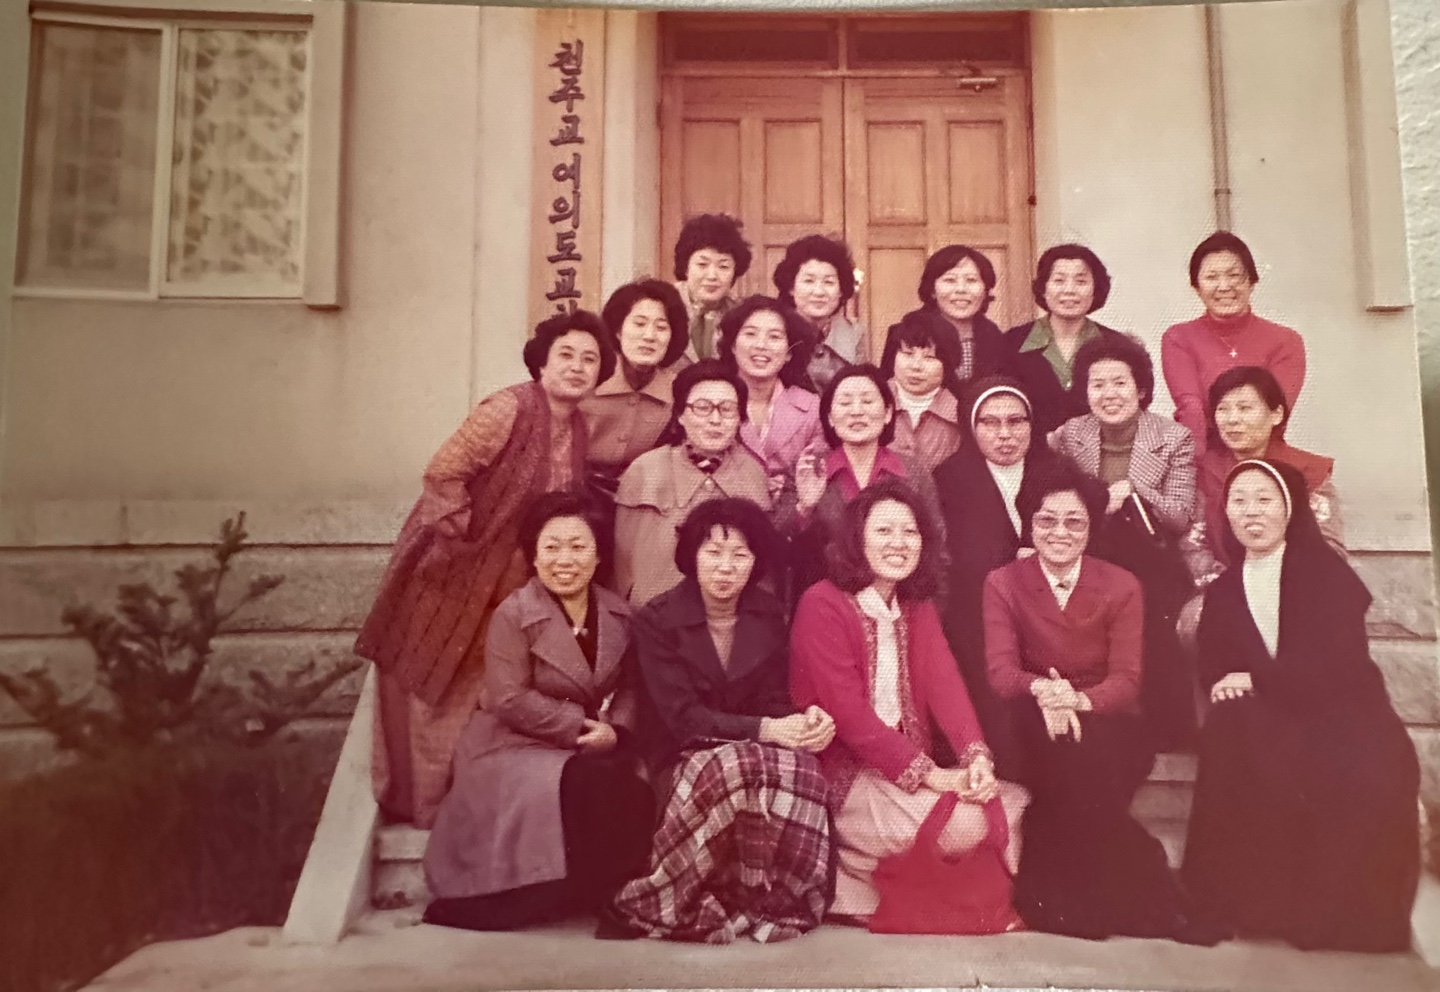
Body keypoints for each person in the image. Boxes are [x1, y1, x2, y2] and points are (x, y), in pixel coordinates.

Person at [355, 311, 616, 827]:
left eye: (590, 360)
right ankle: (422, 804)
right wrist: (464, 545)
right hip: (451, 571)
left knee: (481, 689)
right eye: (566, 355)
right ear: (541, 362)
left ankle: (462, 801)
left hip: (508, 582)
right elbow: (444, 473)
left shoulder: (577, 426)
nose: (577, 367)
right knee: (434, 683)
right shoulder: (507, 408)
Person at [1182, 460, 1420, 952]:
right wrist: (1236, 684)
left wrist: (1257, 678)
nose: (1251, 512)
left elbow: (1338, 667)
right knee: (1229, 732)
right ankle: (1250, 907)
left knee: (1365, 770)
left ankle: (1336, 919)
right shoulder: (1224, 591)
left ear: (1289, 510)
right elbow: (1214, 668)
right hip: (1269, 715)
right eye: (1239, 501)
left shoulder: (1326, 575)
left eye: (1264, 500)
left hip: (1341, 711)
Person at [982, 460, 1214, 942]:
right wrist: (1046, 693)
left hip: (1107, 716)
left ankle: (1069, 905)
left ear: (1091, 528)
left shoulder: (1121, 585)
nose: (1059, 533)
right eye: (1047, 520)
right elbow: (1002, 674)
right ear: (1030, 523)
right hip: (1034, 714)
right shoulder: (1003, 582)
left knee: (1083, 763)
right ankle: (1148, 884)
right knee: (1064, 758)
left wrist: (1077, 702)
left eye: (1074, 522)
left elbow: (1126, 680)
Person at [790, 481, 1026, 930]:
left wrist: (976, 758)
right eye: (884, 531)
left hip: (905, 773)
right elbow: (850, 716)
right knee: (972, 825)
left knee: (1012, 802)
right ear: (857, 539)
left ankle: (866, 880)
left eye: (910, 531)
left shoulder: (915, 605)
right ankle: (850, 868)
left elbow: (945, 686)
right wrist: (933, 775)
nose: (899, 543)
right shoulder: (821, 603)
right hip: (842, 777)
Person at [607, 499, 835, 944]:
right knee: (736, 766)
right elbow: (683, 719)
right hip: (681, 753)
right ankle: (666, 896)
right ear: (692, 556)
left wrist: (805, 719)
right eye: (713, 553)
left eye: (739, 555)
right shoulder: (656, 620)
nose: (725, 567)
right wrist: (767, 731)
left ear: (755, 562)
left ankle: (778, 897)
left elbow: (772, 701)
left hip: (748, 750)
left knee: (805, 767)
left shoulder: (767, 614)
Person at [422, 493, 653, 930]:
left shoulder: (619, 614)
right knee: (586, 780)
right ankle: (554, 893)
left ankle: (617, 896)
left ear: (598, 554)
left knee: (626, 779)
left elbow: (630, 687)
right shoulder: (513, 614)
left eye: (578, 547)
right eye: (552, 547)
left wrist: (616, 730)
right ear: (533, 555)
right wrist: (578, 726)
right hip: (513, 743)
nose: (565, 560)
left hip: (589, 738)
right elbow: (508, 697)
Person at [1048, 334, 1198, 749]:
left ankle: (1167, 731)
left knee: (1148, 615)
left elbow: (1180, 516)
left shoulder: (1174, 438)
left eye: (1119, 383)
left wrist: (1133, 490)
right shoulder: (1069, 435)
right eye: (1097, 384)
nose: (1108, 394)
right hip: (1090, 556)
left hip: (1151, 560)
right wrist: (1099, 500)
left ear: (1141, 389)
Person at [933, 378, 1051, 776]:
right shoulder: (948, 480)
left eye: (1016, 421)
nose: (1004, 434)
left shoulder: (1056, 472)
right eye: (990, 422)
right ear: (971, 426)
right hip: (975, 616)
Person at [613, 360, 771, 606]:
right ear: (680, 415)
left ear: (740, 418)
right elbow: (622, 566)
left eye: (727, 409)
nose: (715, 420)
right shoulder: (646, 470)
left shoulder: (753, 473)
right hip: (655, 615)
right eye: (702, 408)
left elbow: (761, 560)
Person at [790, 365, 947, 597]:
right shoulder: (810, 468)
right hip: (828, 601)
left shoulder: (913, 472)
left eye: (867, 401)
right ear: (830, 417)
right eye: (845, 403)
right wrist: (805, 508)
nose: (857, 411)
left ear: (888, 412)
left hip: (900, 600)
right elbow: (785, 550)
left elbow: (936, 548)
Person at [1189, 365, 1343, 582]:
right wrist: (1230, 587)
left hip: (1295, 586)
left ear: (1276, 414)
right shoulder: (1205, 471)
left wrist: (1275, 587)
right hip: (1221, 586)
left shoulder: (1307, 471)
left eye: (1244, 408)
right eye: (1223, 409)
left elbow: (1329, 548)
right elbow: (1192, 546)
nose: (1232, 419)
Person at [1161, 231, 1306, 453]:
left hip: (1264, 456)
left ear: (1251, 282)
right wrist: (1193, 466)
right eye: (1211, 277)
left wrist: (1249, 467)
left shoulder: (1286, 341)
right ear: (1196, 288)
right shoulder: (1178, 338)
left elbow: (1275, 414)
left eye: (1234, 275)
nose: (1224, 286)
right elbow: (1191, 410)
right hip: (1202, 456)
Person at [582, 279, 692, 498]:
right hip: (578, 494)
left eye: (661, 327)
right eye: (639, 324)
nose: (649, 336)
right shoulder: (587, 379)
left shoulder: (679, 391)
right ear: (618, 331)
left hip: (644, 497)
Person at [716, 295, 823, 513]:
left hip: (791, 520)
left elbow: (817, 475)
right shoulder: (711, 400)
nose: (761, 345)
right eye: (750, 334)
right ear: (733, 345)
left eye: (774, 337)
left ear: (789, 353)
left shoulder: (812, 408)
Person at [1004, 244, 1125, 436]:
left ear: (1096, 289)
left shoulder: (1117, 345)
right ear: (1043, 288)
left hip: (1100, 449)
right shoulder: (1012, 343)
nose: (1069, 290)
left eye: (1081, 281)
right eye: (1059, 280)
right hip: (1030, 451)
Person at [773, 234, 868, 393]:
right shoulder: (775, 329)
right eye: (809, 281)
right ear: (791, 287)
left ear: (841, 291)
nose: (819, 292)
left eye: (829, 282)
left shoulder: (853, 334)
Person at [909, 244, 1010, 390]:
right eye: (950, 280)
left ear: (985, 290)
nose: (961, 289)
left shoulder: (995, 337)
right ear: (932, 290)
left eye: (971, 280)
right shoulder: (906, 334)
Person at [878, 308, 964, 473]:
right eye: (908, 354)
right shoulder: (872, 402)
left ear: (947, 366)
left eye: (929, 357)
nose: (916, 366)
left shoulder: (960, 414)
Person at [674, 213, 752, 361]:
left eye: (723, 266)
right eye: (702, 264)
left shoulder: (741, 314)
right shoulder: (663, 305)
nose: (712, 276)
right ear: (685, 267)